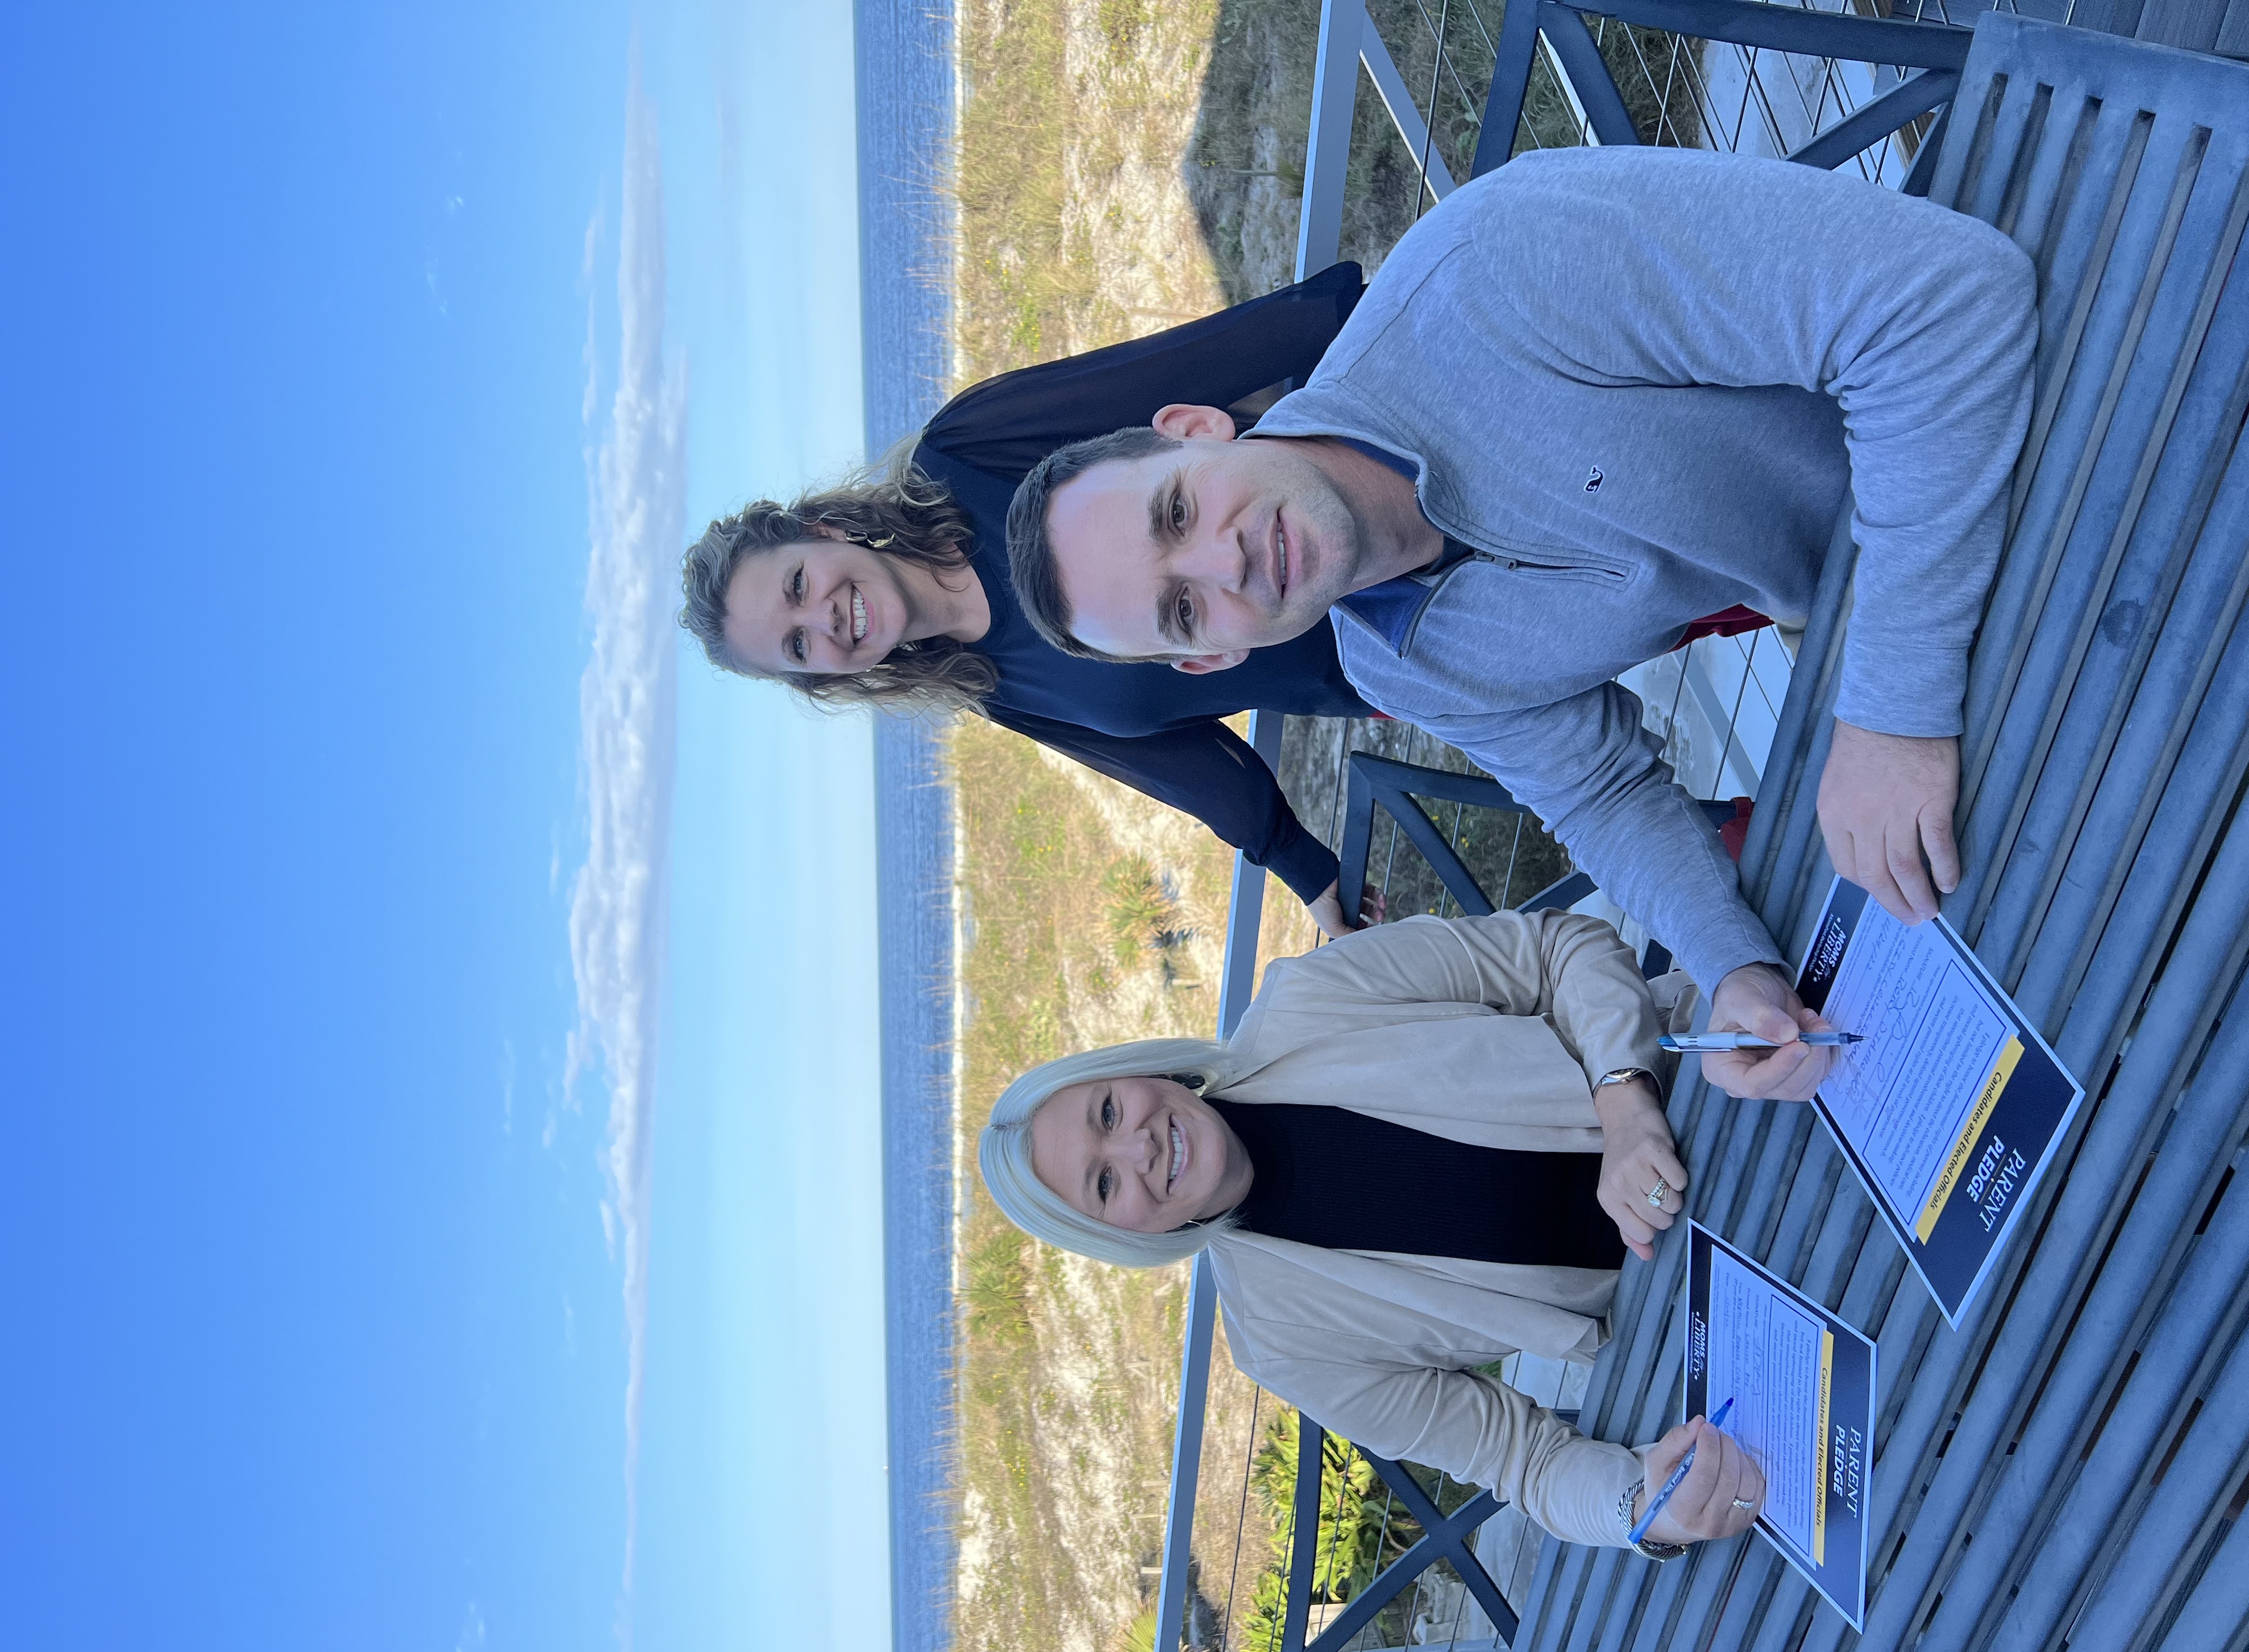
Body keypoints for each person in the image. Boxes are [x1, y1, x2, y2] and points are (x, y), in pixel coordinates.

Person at [1003, 146, 2039, 1101]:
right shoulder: (1397, 664)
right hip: (1929, 624)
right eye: (1183, 607)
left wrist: (1890, 713)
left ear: (1194, 429)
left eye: (1176, 513)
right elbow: (1601, 791)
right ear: (1217, 657)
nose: (1222, 560)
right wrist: (1732, 969)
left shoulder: (1490, 270)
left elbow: (1949, 300)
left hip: (2028, 439)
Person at [977, 908, 1768, 1554]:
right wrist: (1644, 1507)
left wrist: (1624, 1101)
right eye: (1104, 1184)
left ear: (1134, 1071)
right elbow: (1521, 1461)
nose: (1138, 1148)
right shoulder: (1284, 1343)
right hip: (1710, 1311)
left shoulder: (1309, 997)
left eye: (1108, 1111)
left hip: (1732, 1086)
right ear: (1123, 1238)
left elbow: (1558, 949)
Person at [676, 268, 1389, 939]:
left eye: (797, 585)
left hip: (1355, 496)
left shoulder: (964, 453)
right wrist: (1306, 870)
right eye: (798, 645)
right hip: (1386, 661)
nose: (823, 619)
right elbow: (1183, 766)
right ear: (823, 678)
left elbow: (1179, 369)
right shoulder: (989, 691)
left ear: (822, 530)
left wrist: (1373, 316)